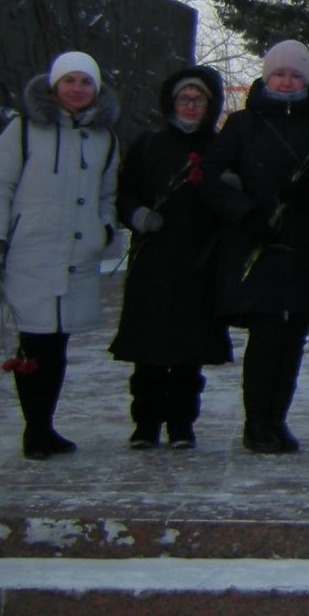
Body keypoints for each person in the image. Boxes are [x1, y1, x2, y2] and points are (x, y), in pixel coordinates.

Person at [0, 51, 120, 459]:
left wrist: (103, 230)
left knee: (57, 344)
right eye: (69, 80)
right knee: (33, 341)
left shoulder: (105, 138)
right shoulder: (23, 130)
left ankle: (46, 425)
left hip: (76, 253)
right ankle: (34, 429)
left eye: (86, 82)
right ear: (55, 85)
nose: (77, 89)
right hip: (30, 251)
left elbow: (107, 193)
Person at [204, 40, 309, 454]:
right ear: (266, 77)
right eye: (279, 74)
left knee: (293, 335)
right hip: (256, 241)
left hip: (304, 244)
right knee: (266, 335)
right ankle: (257, 422)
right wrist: (245, 213)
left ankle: (278, 418)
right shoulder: (243, 124)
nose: (286, 81)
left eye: (295, 75)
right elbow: (211, 175)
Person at [113, 65, 229, 449]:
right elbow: (124, 192)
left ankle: (181, 423)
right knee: (148, 349)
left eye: (199, 99)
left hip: (200, 261)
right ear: (171, 102)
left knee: (188, 351)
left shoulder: (218, 148)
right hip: (154, 260)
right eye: (185, 98)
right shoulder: (149, 145)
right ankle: (145, 423)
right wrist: (138, 215)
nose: (191, 105)